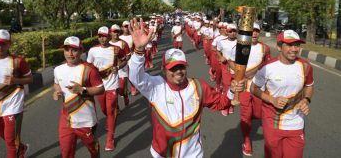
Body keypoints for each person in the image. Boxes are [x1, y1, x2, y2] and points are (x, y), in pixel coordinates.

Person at [128, 18, 245, 158]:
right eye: (173, 68)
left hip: (193, 154)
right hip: (163, 153)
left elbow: (221, 103)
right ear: (164, 69)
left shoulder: (199, 87)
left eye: (181, 67)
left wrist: (232, 91)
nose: (178, 71)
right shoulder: (155, 86)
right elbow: (135, 76)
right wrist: (139, 50)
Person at [250, 30, 314, 158]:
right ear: (279, 47)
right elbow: (253, 88)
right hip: (272, 122)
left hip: (296, 122)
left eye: (297, 45)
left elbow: (309, 86)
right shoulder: (267, 67)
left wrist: (306, 100)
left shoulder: (305, 66)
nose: (294, 49)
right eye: (290, 45)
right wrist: (272, 100)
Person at [53, 36, 104, 157]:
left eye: (74, 50)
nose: (70, 54)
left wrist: (83, 90)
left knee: (93, 150)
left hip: (85, 120)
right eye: (67, 49)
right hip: (66, 118)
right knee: (66, 153)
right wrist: (57, 92)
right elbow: (56, 83)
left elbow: (101, 89)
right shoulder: (58, 69)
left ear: (81, 51)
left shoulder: (89, 69)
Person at [228, 23, 271, 156]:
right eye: (252, 31)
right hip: (244, 88)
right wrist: (239, 72)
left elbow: (268, 66)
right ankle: (246, 140)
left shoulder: (265, 48)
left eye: (257, 31)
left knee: (258, 114)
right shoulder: (238, 46)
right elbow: (230, 61)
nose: (254, 33)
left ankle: (250, 122)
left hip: (258, 88)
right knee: (245, 115)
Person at [0, 29, 32, 158]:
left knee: (10, 142)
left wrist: (15, 80)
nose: (0, 47)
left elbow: (30, 79)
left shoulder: (18, 61)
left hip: (12, 103)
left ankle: (16, 149)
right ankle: (22, 148)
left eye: (3, 43)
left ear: (9, 44)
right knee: (5, 136)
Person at [86, 26, 126, 151]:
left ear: (109, 36)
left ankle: (110, 138)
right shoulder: (92, 50)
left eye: (104, 36)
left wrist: (118, 67)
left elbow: (124, 60)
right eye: (100, 36)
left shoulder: (116, 49)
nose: (102, 38)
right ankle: (111, 117)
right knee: (103, 109)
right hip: (99, 86)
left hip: (112, 84)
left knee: (109, 111)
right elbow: (88, 66)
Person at [108, 24, 130, 108]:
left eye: (117, 32)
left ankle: (125, 94)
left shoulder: (123, 43)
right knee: (114, 91)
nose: (116, 34)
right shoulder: (108, 44)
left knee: (120, 90)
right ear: (110, 33)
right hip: (112, 71)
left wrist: (122, 61)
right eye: (114, 32)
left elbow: (128, 55)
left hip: (122, 69)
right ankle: (116, 108)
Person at [119, 21, 138, 96]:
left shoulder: (132, 36)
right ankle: (124, 89)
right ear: (122, 28)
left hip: (131, 58)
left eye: (128, 26)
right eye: (125, 26)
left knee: (131, 75)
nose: (126, 28)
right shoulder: (119, 37)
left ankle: (133, 87)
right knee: (123, 77)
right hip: (122, 59)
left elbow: (135, 48)